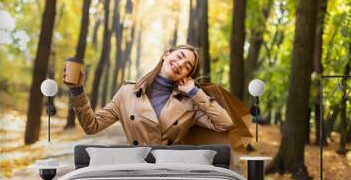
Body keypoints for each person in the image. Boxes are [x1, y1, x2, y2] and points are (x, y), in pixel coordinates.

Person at [63, 44, 234, 146]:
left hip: (171, 173)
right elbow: (92, 126)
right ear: (167, 55)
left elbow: (225, 123)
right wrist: (77, 89)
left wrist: (195, 93)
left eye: (187, 66)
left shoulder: (190, 103)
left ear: (187, 75)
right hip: (135, 172)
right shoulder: (127, 93)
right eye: (179, 56)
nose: (180, 64)